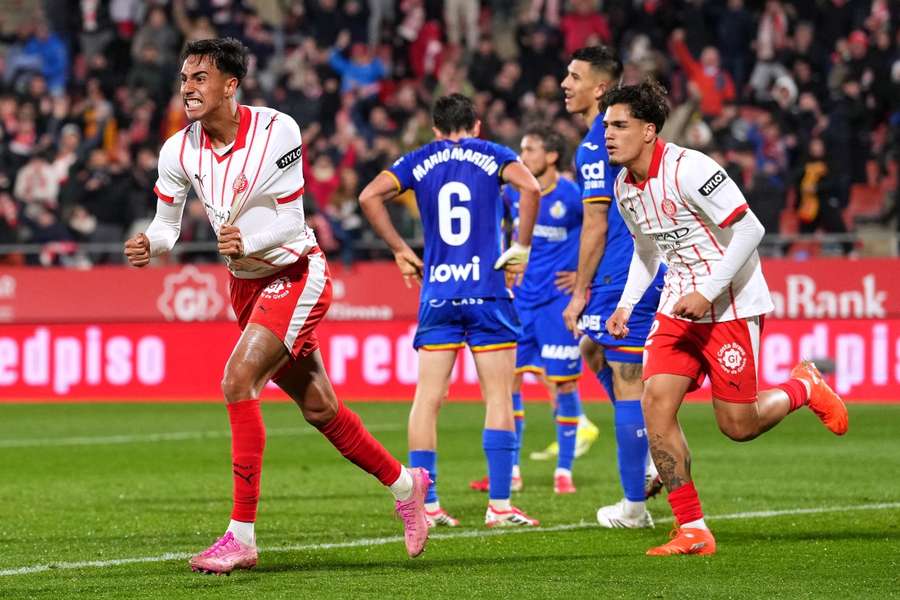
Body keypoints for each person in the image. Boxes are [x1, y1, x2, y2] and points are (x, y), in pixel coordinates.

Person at [123, 38, 430, 575]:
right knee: (320, 409)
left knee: (237, 380)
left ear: (230, 85)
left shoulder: (276, 130)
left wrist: (250, 241)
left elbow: (292, 221)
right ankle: (408, 486)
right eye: (185, 78)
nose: (187, 88)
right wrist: (152, 243)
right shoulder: (177, 150)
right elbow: (167, 225)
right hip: (245, 286)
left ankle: (240, 536)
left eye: (199, 78)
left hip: (296, 272)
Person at [601, 80, 849, 556]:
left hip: (731, 304)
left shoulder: (691, 168)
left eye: (619, 125)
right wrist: (627, 304)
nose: (608, 134)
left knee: (738, 426)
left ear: (649, 130)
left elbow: (751, 228)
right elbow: (647, 249)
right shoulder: (624, 187)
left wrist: (708, 291)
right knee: (655, 404)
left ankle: (804, 386)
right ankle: (692, 528)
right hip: (678, 306)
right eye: (606, 126)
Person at [359, 93, 542, 528]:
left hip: (438, 294)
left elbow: (368, 196)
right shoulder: (493, 153)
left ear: (436, 129)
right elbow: (531, 187)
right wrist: (521, 247)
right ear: (476, 126)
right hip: (487, 292)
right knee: (498, 396)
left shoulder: (417, 159)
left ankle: (428, 505)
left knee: (427, 399)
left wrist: (400, 249)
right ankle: (500, 506)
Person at [559, 46, 665, 529]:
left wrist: (580, 292)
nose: (565, 84)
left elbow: (596, 224)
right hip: (635, 267)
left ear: (600, 88)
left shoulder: (595, 146)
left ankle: (635, 504)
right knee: (593, 351)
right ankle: (648, 455)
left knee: (627, 378)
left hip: (624, 274)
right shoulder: (619, 138)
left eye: (574, 76)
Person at [469, 125, 587, 495]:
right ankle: (513, 469)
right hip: (519, 302)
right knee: (510, 383)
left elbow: (599, 233)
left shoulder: (572, 196)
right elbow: (498, 227)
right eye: (522, 149)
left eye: (530, 149)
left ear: (551, 156)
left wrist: (583, 276)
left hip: (557, 303)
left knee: (564, 383)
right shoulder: (515, 193)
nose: (523, 156)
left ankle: (564, 470)